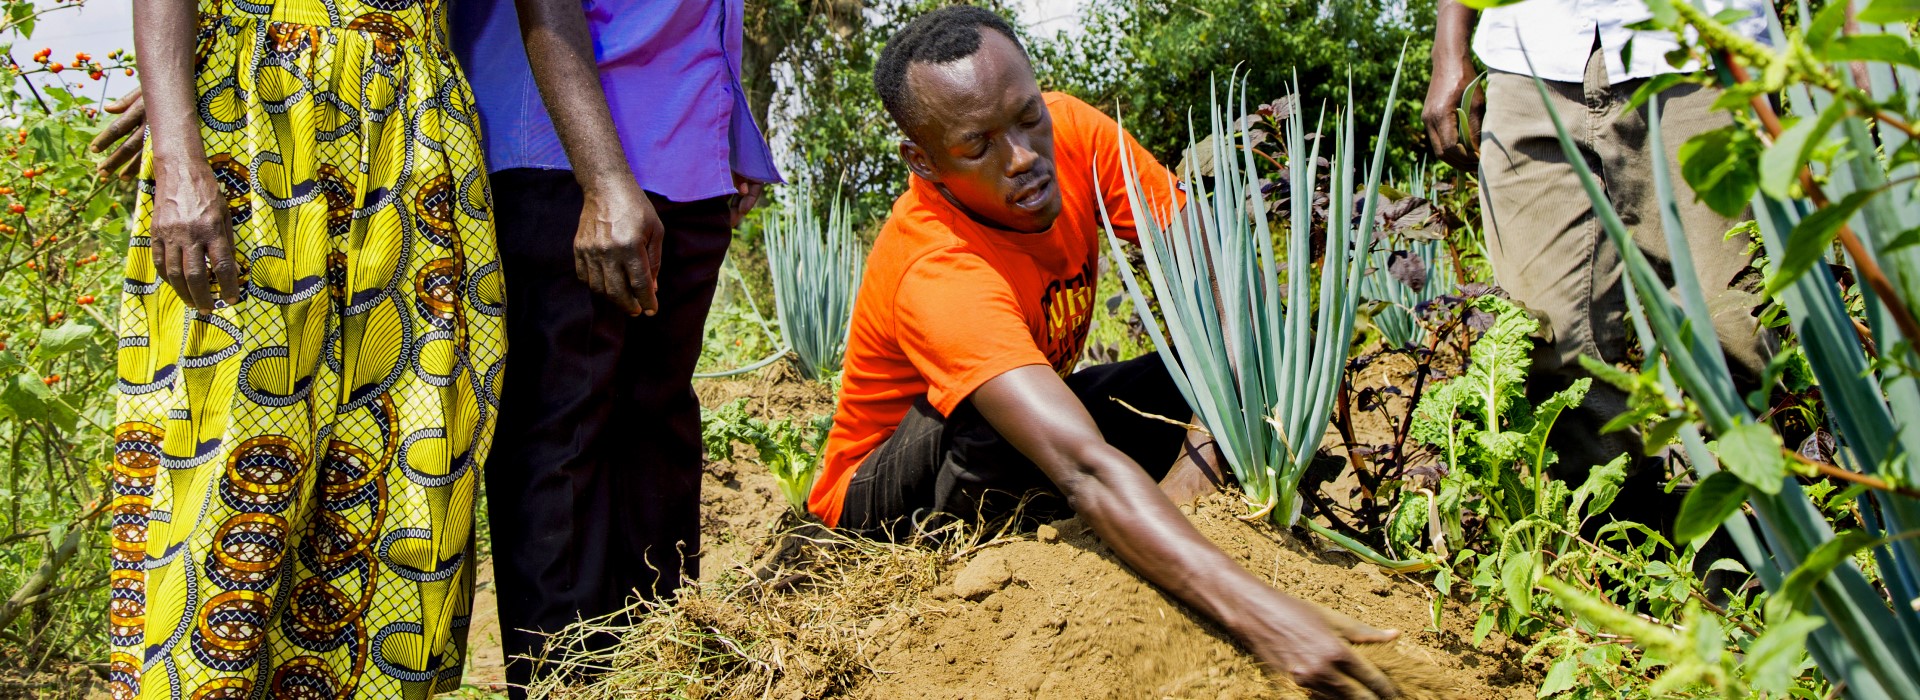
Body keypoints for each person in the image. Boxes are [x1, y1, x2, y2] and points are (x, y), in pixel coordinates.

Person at [809, 7, 1403, 698]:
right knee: (1003, 420)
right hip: (883, 496)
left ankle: (1127, 520)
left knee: (1189, 371)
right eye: (977, 146)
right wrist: (1269, 620)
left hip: (1024, 433)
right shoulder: (937, 266)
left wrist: (1201, 461)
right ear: (924, 160)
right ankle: (1009, 555)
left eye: (1029, 117)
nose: (1023, 157)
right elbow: (1084, 466)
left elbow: (1228, 296)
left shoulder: (1073, 132)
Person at [106, 0, 506, 695]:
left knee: (406, 464)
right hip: (258, 111)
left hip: (420, 131)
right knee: (230, 459)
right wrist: (176, 145)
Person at [447, 0, 779, 693]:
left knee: (656, 426)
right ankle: (562, 683)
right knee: (564, 432)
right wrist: (603, 179)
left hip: (684, 154)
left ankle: (656, 674)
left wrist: (727, 132)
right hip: (563, 156)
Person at [1423, 0, 1772, 506]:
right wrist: (1448, 46)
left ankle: (1758, 554)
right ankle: (1631, 542)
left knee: (1733, 336)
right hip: (1531, 53)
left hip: (1695, 49)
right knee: (1545, 342)